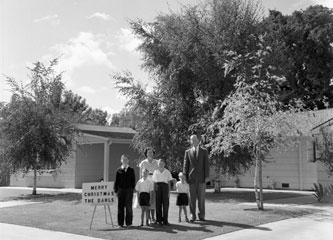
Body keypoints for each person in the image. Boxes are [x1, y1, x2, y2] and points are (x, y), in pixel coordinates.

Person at [183, 134, 209, 222]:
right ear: (190, 141)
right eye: (192, 140)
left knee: (201, 198)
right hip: (191, 178)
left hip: (201, 178)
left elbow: (206, 164)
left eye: (195, 140)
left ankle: (201, 215)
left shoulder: (204, 151)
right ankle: (192, 215)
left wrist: (206, 176)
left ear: (198, 140)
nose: (193, 141)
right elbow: (185, 166)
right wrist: (185, 176)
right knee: (192, 198)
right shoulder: (188, 152)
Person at [114, 154, 136, 228]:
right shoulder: (118, 170)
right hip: (121, 191)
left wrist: (131, 189)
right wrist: (116, 190)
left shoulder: (131, 170)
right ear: (121, 160)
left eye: (126, 159)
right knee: (120, 208)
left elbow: (133, 181)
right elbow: (116, 181)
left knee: (129, 207)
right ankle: (120, 224)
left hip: (129, 191)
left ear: (128, 160)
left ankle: (129, 223)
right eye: (123, 159)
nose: (125, 161)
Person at [138, 147, 159, 223]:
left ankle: (153, 217)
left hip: (154, 182)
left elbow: (158, 173)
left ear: (153, 153)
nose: (150, 154)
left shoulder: (157, 162)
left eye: (151, 152)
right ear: (146, 154)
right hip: (145, 184)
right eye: (148, 152)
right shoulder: (143, 163)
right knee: (147, 200)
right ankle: (148, 217)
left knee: (153, 201)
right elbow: (140, 175)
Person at [152, 159, 173, 226]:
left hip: (165, 187)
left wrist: (169, 192)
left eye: (162, 163)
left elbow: (169, 182)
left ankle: (165, 220)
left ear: (164, 164)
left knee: (165, 204)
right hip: (158, 187)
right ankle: (159, 220)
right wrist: (154, 190)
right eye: (159, 163)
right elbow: (154, 182)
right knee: (158, 204)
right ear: (158, 164)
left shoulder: (167, 172)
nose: (161, 165)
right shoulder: (155, 172)